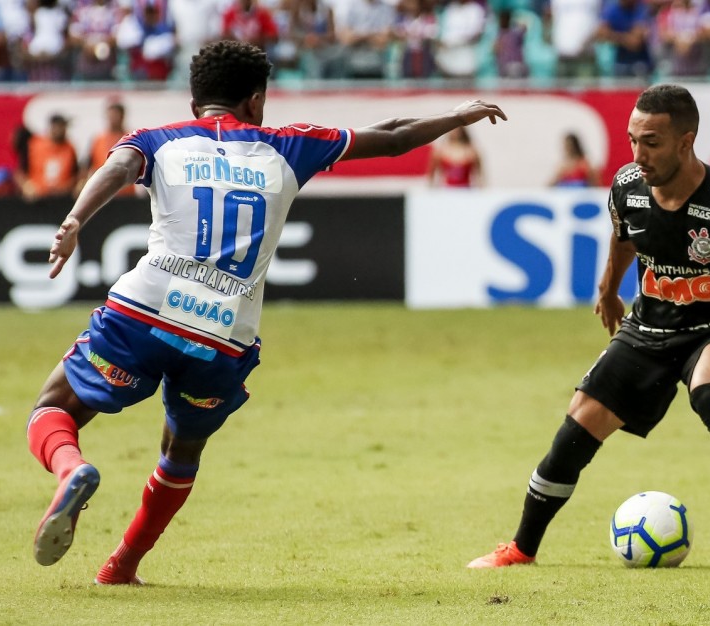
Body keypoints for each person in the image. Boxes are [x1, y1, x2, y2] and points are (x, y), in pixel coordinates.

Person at [27, 39, 505, 585]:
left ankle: (70, 469)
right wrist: (457, 115)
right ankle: (121, 567)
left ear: (194, 104)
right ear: (256, 101)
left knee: (53, 407)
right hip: (226, 333)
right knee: (182, 448)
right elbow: (394, 136)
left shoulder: (159, 139)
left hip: (148, 310)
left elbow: (118, 165)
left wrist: (75, 219)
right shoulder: (289, 145)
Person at [467, 84, 710, 572]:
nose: (638, 154)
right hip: (647, 328)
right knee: (577, 426)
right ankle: (521, 549)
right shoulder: (626, 186)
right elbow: (624, 235)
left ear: (686, 141)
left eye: (652, 142)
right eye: (633, 139)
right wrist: (607, 289)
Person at [79, 100, 136, 197]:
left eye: (115, 115)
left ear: (122, 116)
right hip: (102, 193)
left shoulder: (131, 138)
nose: (112, 119)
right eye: (110, 115)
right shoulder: (98, 140)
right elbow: (87, 164)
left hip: (126, 194)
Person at [20, 112, 78, 200]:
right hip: (38, 197)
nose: (62, 130)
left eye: (63, 127)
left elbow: (76, 173)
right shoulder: (35, 145)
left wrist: (70, 187)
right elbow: (20, 171)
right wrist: (26, 186)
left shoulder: (69, 148)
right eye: (59, 126)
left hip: (62, 197)